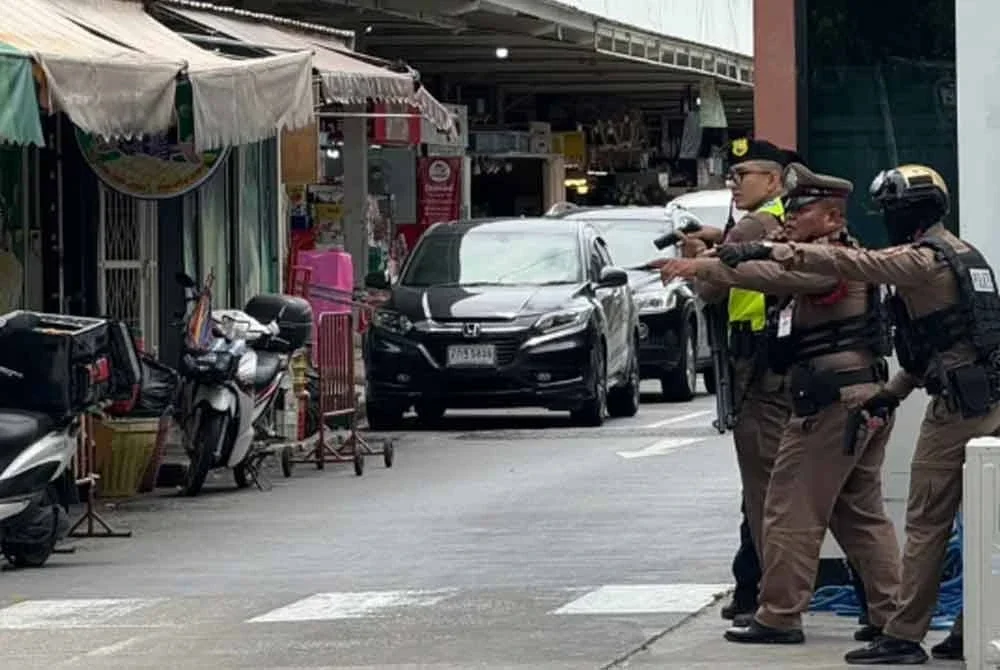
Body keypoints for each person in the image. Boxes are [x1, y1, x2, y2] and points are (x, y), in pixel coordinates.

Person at [715, 164, 1000, 663]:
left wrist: (766, 248)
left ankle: (904, 636)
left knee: (927, 522)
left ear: (903, 213)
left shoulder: (921, 260)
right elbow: (945, 344)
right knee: (980, 524)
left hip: (957, 410)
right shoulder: (964, 256)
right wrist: (891, 392)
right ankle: (969, 625)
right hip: (983, 399)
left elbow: (857, 264)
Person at [659, 163, 901, 644]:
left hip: (832, 403)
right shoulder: (830, 255)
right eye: (788, 207)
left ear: (833, 218)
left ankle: (780, 614)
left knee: (788, 507)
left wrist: (703, 264)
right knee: (858, 512)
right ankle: (888, 612)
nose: (789, 217)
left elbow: (766, 275)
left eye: (802, 208)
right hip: (856, 396)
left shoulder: (828, 259)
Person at [651, 138, 798, 622]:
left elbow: (711, 291)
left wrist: (697, 259)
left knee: (763, 493)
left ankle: (771, 601)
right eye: (731, 176)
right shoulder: (774, 216)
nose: (733, 184)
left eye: (743, 175)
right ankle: (757, 587)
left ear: (773, 180)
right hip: (769, 362)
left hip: (757, 364)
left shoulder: (756, 223)